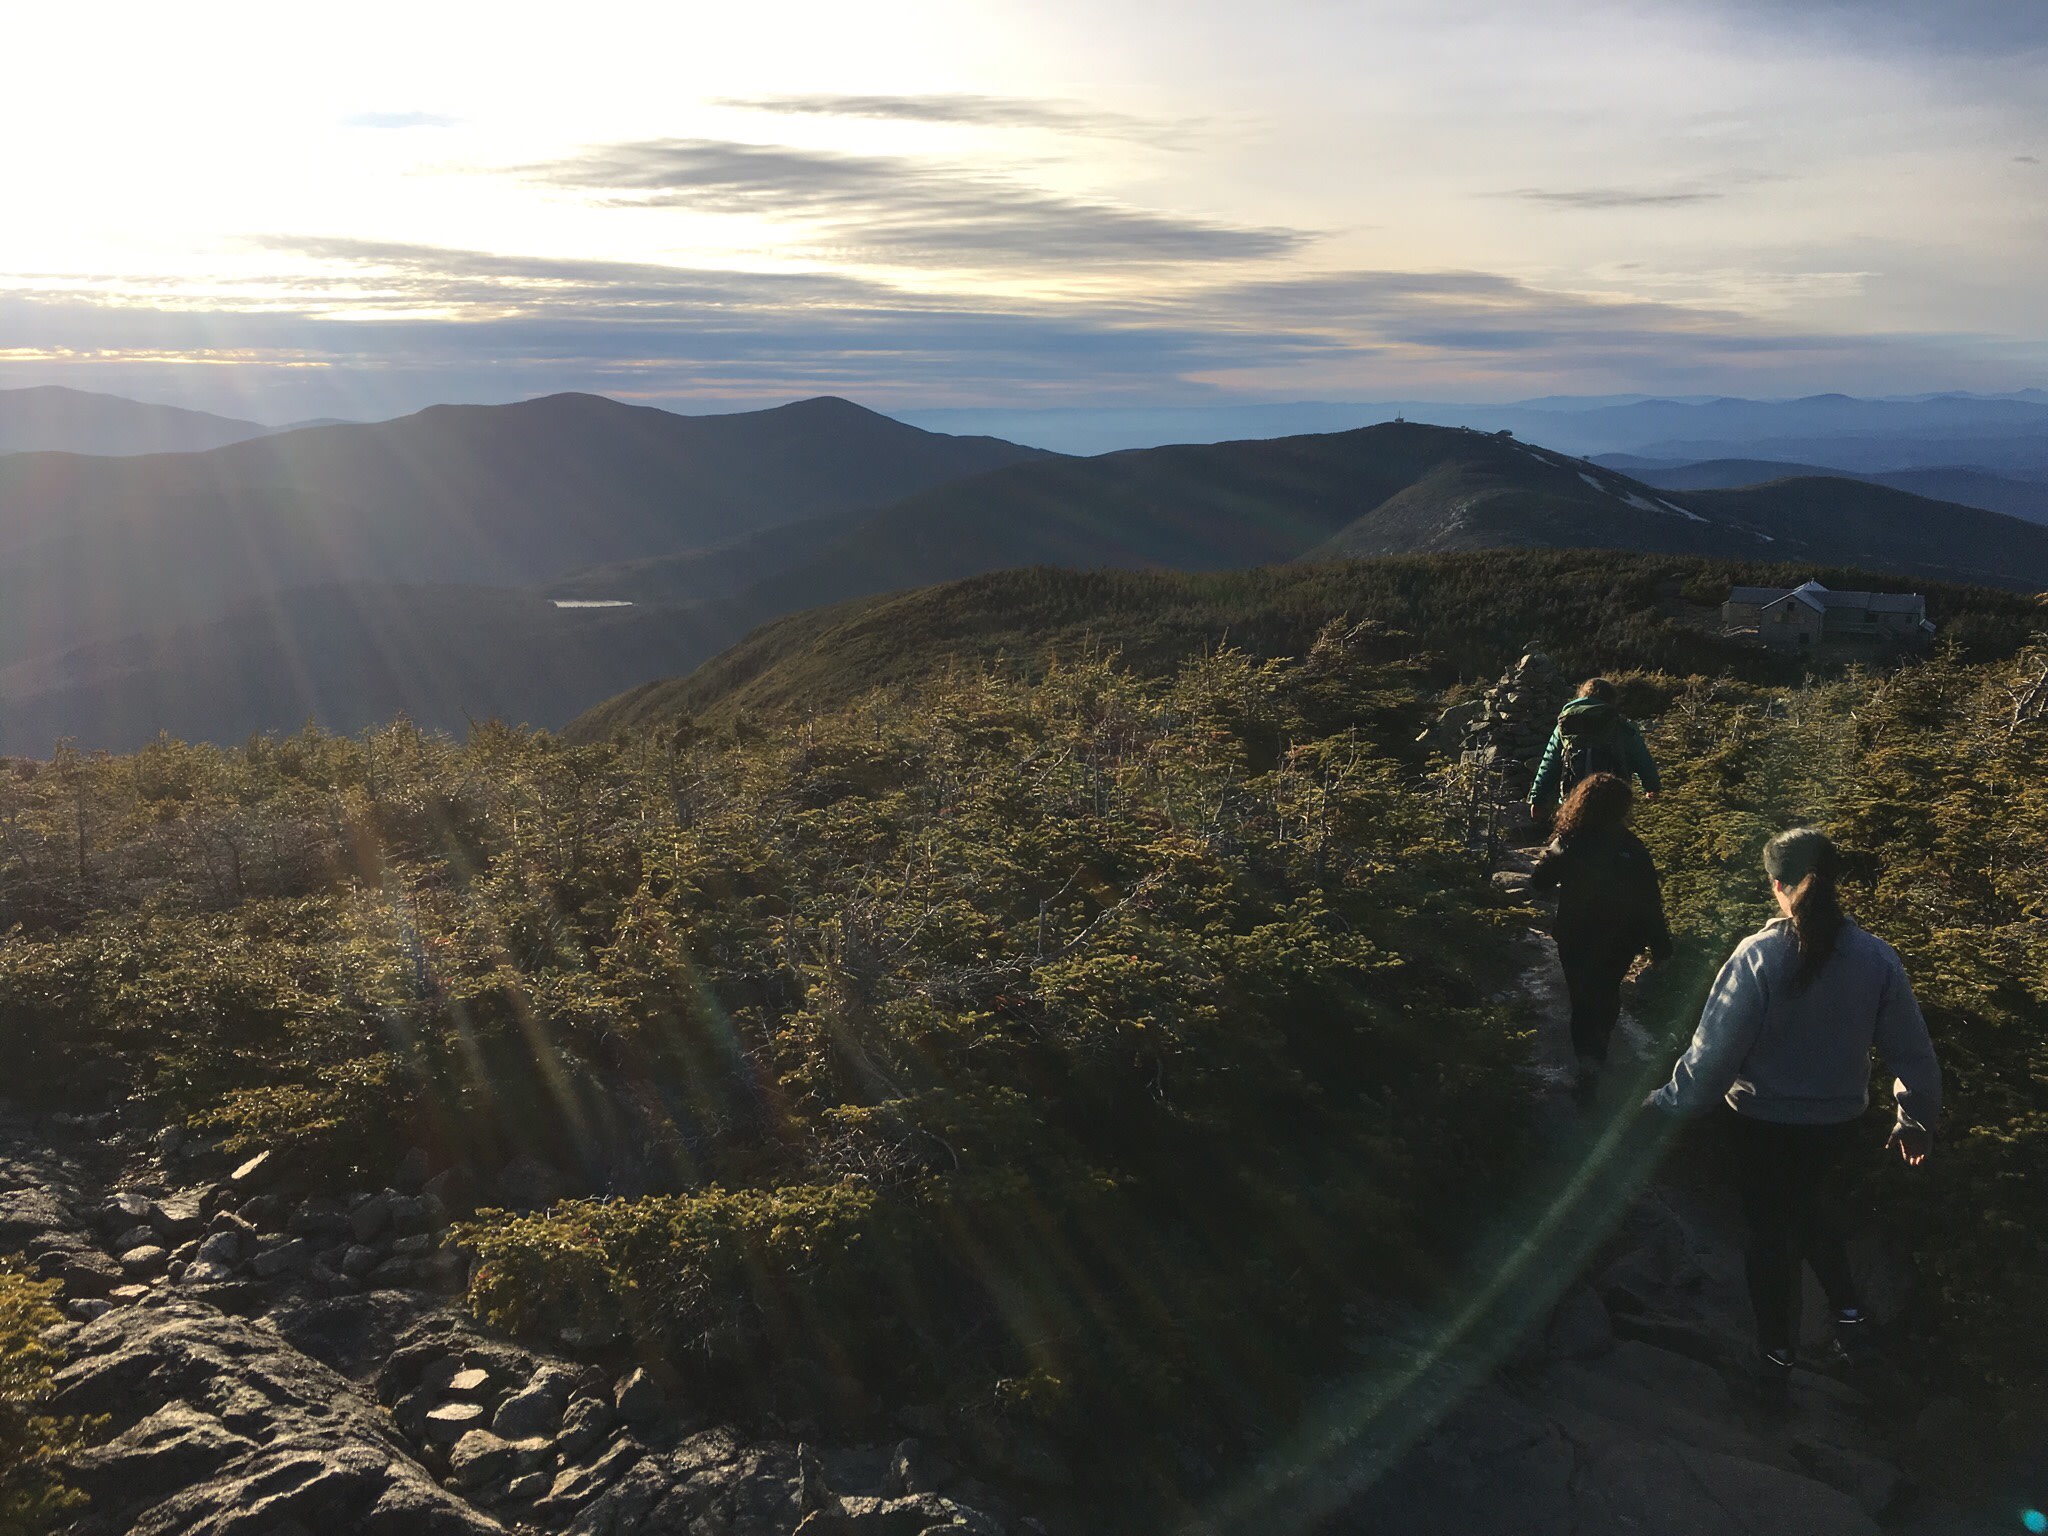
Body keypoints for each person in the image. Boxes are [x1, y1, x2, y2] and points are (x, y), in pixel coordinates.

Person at [1646, 827, 1940, 1399]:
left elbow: (1712, 1057)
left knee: (1769, 1236)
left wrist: (1664, 1107)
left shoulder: (1757, 956)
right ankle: (1852, 1328)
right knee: (1812, 1215)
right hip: (1837, 1125)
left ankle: (1774, 1362)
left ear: (1776, 885)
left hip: (1759, 1124)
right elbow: (1913, 1053)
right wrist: (1915, 1119)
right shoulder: (1877, 958)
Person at [1528, 772, 1673, 1105]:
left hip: (1575, 935)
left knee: (1582, 1000)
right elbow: (1650, 902)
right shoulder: (1633, 849)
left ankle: (1587, 1067)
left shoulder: (1569, 840)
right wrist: (1661, 947)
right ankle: (1599, 1052)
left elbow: (1539, 882)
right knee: (1606, 993)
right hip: (1622, 940)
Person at [1528, 678, 1661, 824]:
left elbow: (1549, 763)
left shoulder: (1564, 725)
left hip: (1572, 799)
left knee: (1573, 837)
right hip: (1613, 799)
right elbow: (1641, 759)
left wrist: (1538, 799)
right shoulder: (1620, 725)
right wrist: (1652, 787)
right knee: (1610, 841)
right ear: (1611, 698)